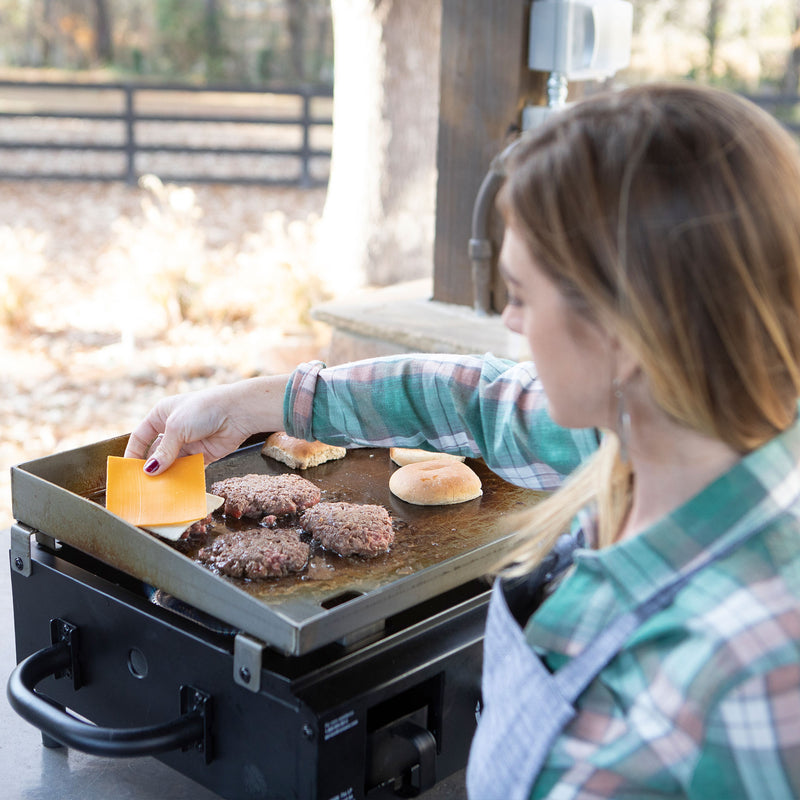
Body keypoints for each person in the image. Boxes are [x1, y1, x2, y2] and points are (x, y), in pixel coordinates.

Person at [125, 83, 800, 798]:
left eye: (521, 294)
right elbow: (472, 400)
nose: (510, 323)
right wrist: (251, 403)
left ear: (626, 335)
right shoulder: (667, 433)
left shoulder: (750, 673)